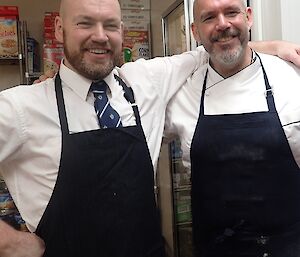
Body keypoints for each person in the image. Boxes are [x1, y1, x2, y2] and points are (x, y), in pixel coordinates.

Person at [0, 0, 299, 256]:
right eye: (85, 24)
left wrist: (275, 46)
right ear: (59, 30)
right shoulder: (22, 107)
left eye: (111, 25)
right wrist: (11, 243)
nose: (100, 37)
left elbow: (217, 45)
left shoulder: (143, 82)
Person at [164, 0, 300, 256]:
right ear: (195, 31)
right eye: (209, 17)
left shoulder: (291, 78)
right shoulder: (183, 94)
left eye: (231, 12)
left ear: (249, 17)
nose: (223, 24)